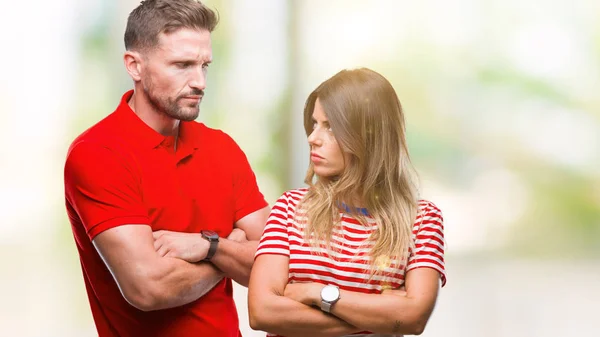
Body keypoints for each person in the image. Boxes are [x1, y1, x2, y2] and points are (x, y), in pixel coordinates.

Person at [63, 1, 270, 336]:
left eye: (204, 65)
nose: (199, 81)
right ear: (134, 66)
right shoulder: (98, 154)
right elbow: (149, 288)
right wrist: (228, 251)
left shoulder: (222, 148)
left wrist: (207, 246)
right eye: (183, 65)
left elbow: (277, 261)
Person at [248, 68, 446, 337]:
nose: (312, 138)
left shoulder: (422, 220)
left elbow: (413, 320)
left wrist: (317, 294)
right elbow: (262, 312)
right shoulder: (290, 208)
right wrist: (383, 316)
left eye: (329, 126)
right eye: (315, 124)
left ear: (367, 136)